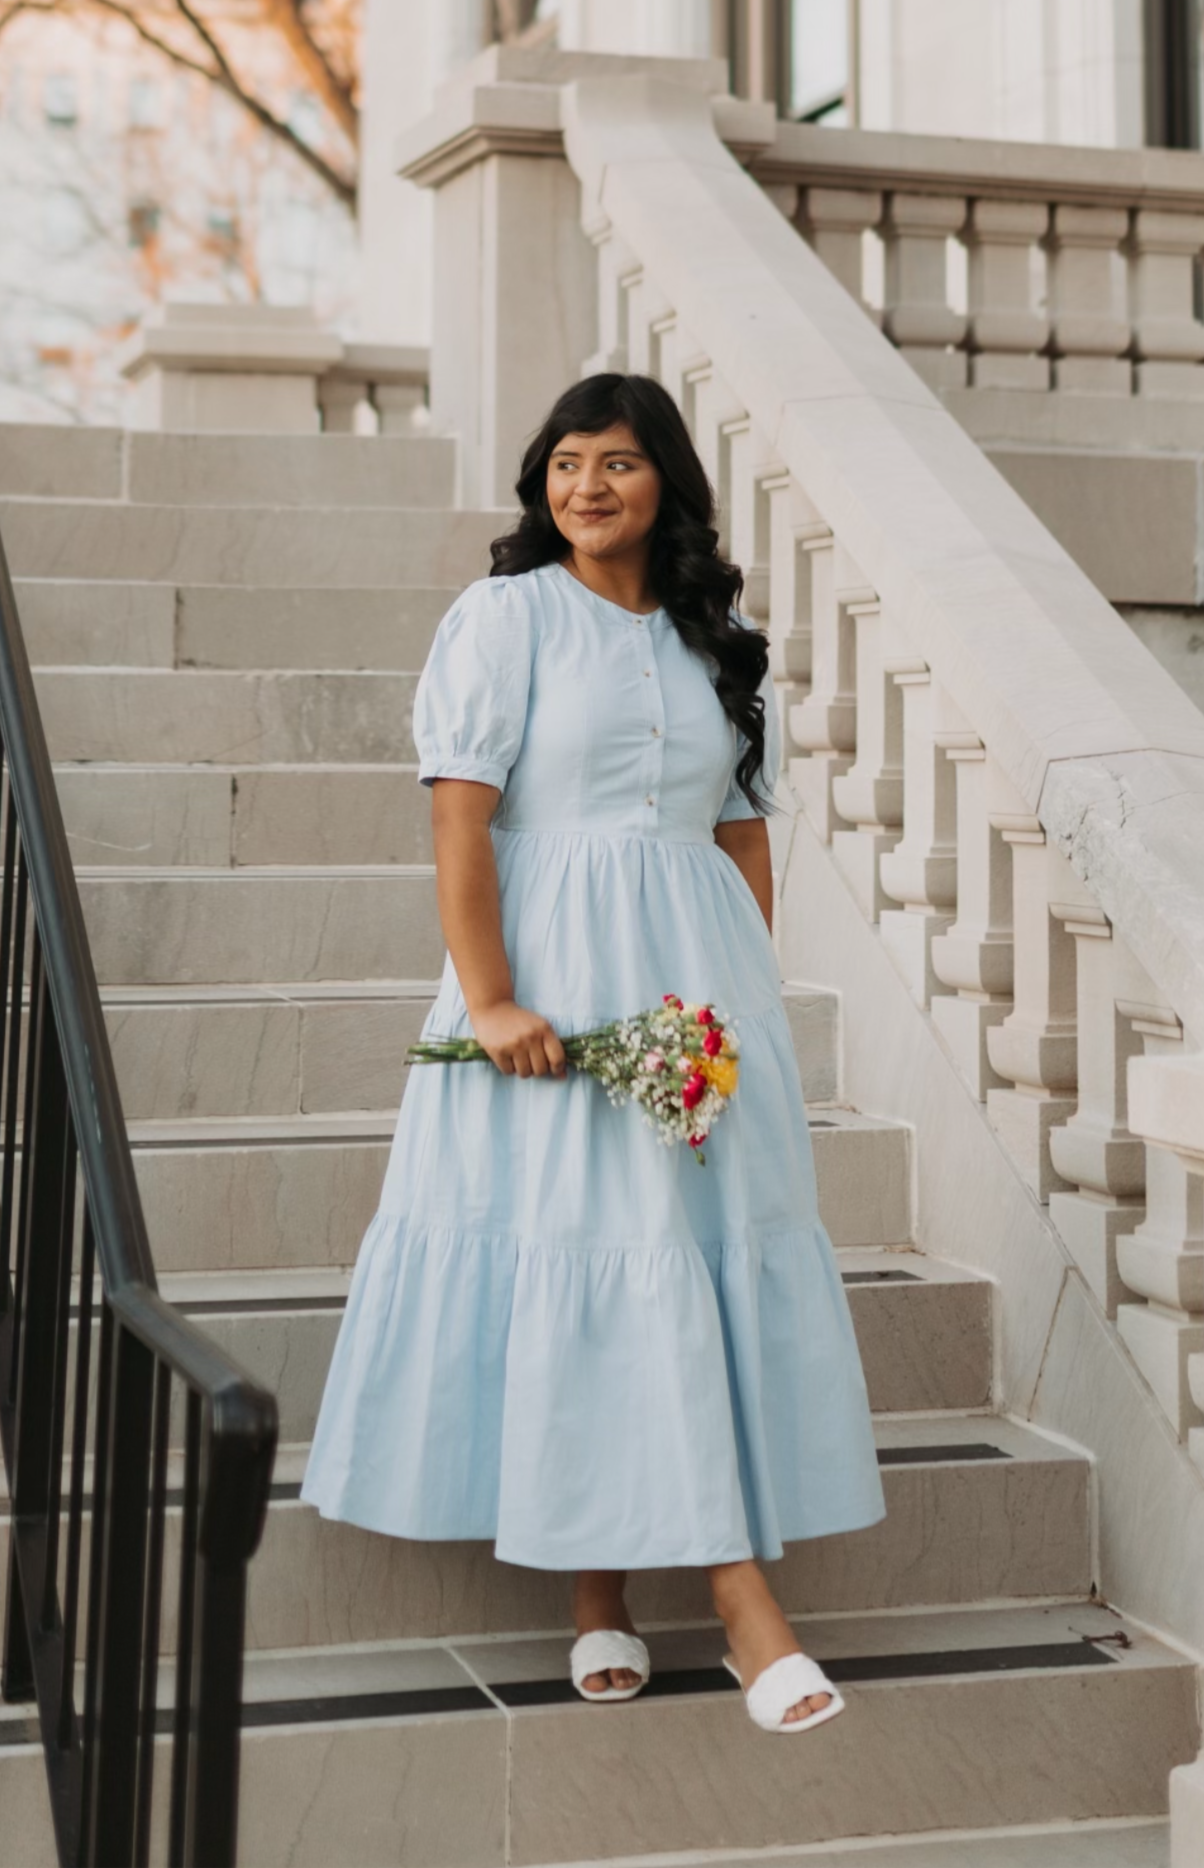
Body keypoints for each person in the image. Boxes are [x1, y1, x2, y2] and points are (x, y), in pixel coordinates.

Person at [301, 372, 885, 1732]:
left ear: (665, 478)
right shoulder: (505, 619)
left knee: (668, 1258)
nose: (586, 487)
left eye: (616, 462)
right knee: (593, 1255)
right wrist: (493, 1000)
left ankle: (616, 1595)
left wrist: (737, 1007)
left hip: (696, 1000)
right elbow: (460, 819)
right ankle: (717, 1608)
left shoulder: (719, 642)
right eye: (566, 463)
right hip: (553, 991)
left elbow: (741, 834)